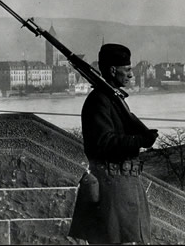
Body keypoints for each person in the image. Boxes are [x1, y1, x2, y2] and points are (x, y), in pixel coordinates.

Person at [69, 43, 158, 245]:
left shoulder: (112, 98)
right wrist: (139, 140)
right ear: (112, 70)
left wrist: (141, 134)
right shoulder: (100, 100)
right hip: (113, 186)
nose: (131, 74)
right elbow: (103, 142)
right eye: (126, 69)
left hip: (125, 183)